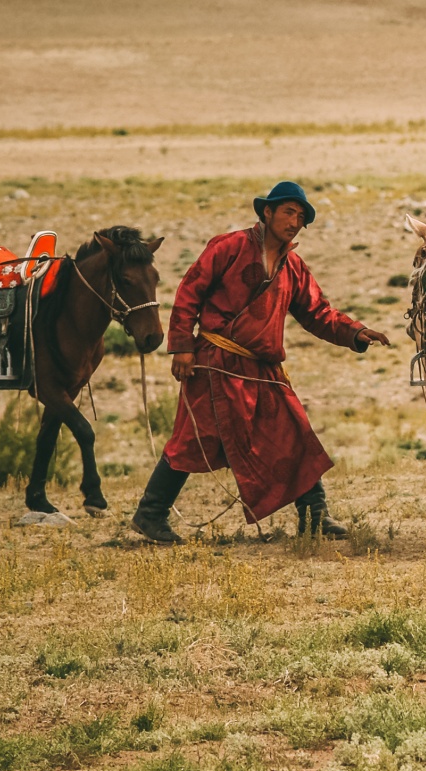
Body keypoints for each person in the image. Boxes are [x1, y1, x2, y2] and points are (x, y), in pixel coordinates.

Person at [130, 180, 391, 544]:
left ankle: (314, 516)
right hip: (214, 362)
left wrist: (355, 332)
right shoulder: (229, 247)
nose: (294, 221)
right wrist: (181, 347)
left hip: (262, 368)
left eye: (300, 216)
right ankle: (150, 514)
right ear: (266, 212)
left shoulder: (293, 266)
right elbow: (190, 291)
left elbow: (317, 312)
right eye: (288, 212)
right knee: (194, 439)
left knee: (295, 430)